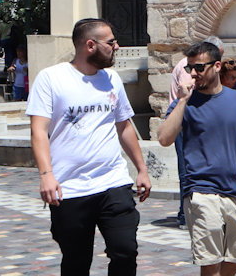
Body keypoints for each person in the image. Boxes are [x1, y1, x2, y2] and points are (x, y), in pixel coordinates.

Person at [27, 18, 152, 276]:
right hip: (70, 189)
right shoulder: (51, 78)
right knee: (76, 261)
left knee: (125, 251)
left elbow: (125, 126)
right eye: (111, 42)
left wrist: (141, 168)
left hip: (112, 182)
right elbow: (38, 130)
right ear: (90, 45)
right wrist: (46, 175)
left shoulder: (112, 79)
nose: (117, 47)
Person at [158, 40, 236, 276]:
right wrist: (183, 101)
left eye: (199, 68)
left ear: (217, 66)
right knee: (211, 262)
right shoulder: (184, 103)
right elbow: (164, 138)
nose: (193, 74)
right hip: (201, 190)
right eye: (190, 68)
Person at [169, 34, 225, 227]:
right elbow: (188, 93)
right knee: (188, 171)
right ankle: (187, 214)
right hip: (186, 125)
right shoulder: (192, 68)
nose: (194, 73)